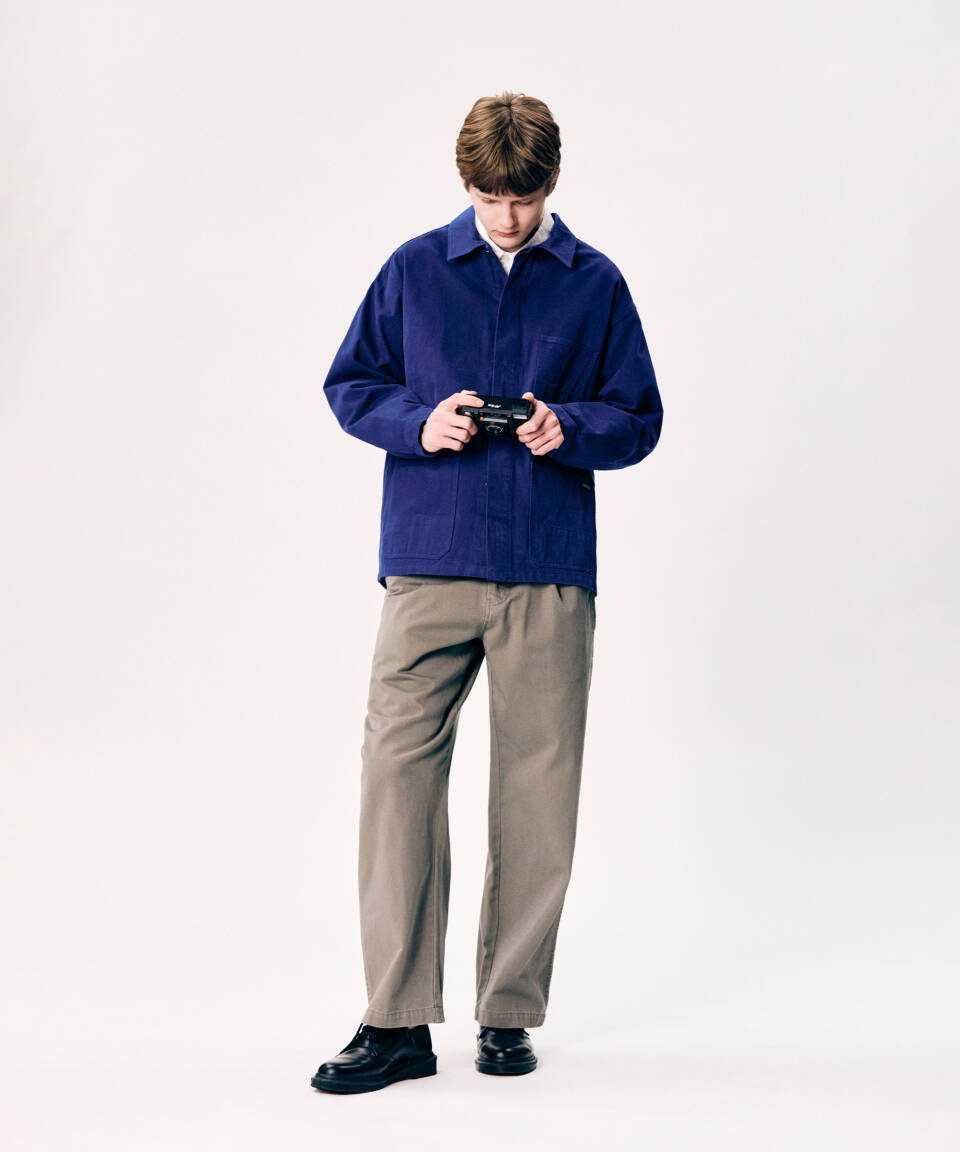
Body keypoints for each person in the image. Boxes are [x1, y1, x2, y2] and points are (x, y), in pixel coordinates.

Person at [311, 91, 663, 1094]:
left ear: (552, 184)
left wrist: (570, 429)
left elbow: (639, 416)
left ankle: (509, 1013)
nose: (506, 218)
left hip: (546, 567)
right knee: (396, 776)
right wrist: (419, 423)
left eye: (524, 198)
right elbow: (350, 384)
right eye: (488, 198)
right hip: (429, 560)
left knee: (538, 789)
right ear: (464, 183)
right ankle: (395, 1022)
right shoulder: (415, 269)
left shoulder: (595, 283)